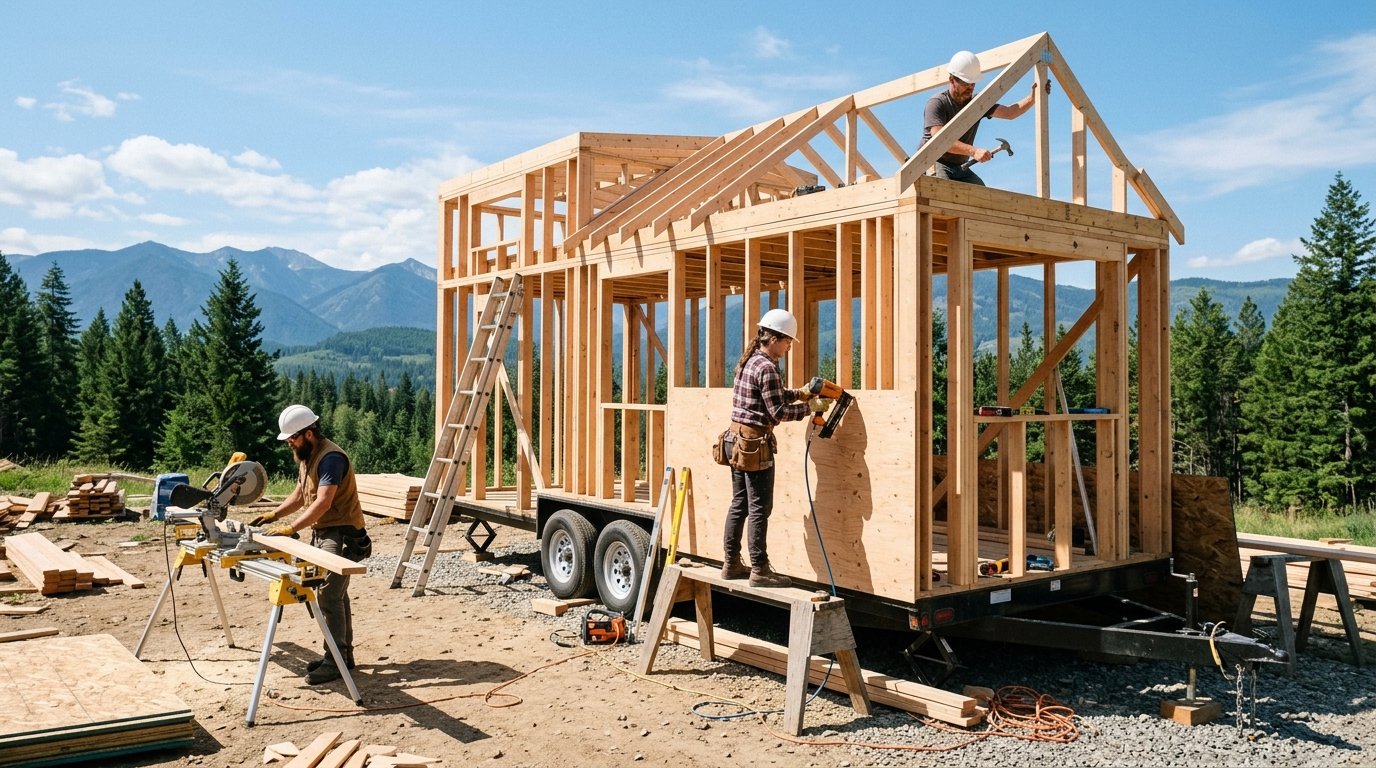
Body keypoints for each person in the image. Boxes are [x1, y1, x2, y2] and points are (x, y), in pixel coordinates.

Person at [249, 404, 368, 685]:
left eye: (292, 438)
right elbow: (303, 493)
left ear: (309, 433)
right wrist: (274, 514)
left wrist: (291, 528)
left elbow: (323, 502)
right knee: (336, 595)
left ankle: (334, 660)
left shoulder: (331, 459)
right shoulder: (308, 454)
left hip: (342, 534)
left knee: (328, 595)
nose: (289, 442)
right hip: (326, 532)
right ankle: (343, 656)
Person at [721, 309, 825, 588]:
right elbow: (777, 412)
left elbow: (772, 396)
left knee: (739, 504)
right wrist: (810, 407)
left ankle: (730, 563)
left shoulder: (751, 360)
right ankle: (760, 570)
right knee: (759, 509)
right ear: (775, 338)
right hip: (755, 445)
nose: (790, 346)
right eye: (788, 341)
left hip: (736, 441)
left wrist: (801, 393)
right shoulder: (767, 367)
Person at [917, 50, 1046, 186]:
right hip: (933, 162)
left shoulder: (977, 103)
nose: (970, 88)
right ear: (952, 80)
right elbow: (939, 140)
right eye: (966, 83)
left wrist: (1033, 97)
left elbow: (1010, 112)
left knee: (982, 195)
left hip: (960, 167)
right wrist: (974, 151)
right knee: (943, 192)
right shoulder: (938, 103)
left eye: (973, 83)